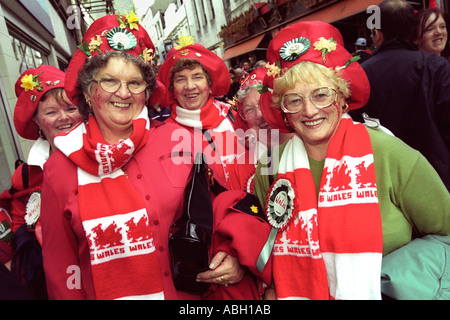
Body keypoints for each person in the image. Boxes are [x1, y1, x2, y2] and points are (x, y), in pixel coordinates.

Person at [253, 20, 450, 300]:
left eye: (321, 95)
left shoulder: (389, 153)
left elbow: (446, 232)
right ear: (282, 109)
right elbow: (263, 247)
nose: (309, 111)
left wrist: (402, 278)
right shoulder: (268, 167)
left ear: (342, 97)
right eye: (294, 100)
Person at [39, 14, 199, 300]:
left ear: (147, 92)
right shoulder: (58, 168)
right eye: (110, 81)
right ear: (88, 92)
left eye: (135, 83)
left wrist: (227, 252)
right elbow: (61, 269)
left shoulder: (177, 140)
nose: (123, 93)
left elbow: (210, 210)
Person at [157, 37, 271, 299]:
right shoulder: (160, 136)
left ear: (209, 83)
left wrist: (243, 253)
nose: (189, 86)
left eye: (197, 76)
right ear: (172, 88)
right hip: (204, 258)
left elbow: (267, 181)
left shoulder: (236, 118)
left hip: (255, 243)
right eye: (180, 79)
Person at [0, 65, 82, 299]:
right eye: (51, 112)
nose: (64, 117)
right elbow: (16, 213)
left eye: (70, 108)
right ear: (36, 121)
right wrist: (26, 238)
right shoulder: (26, 173)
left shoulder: (102, 156)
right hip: (52, 279)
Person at [351, 0, 450, 191]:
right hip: (436, 179)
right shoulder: (435, 67)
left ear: (377, 34)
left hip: (384, 182)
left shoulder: (360, 75)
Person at [233, 67, 292, 192]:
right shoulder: (240, 168)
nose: (259, 114)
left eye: (263, 103)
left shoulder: (312, 147)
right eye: (249, 110)